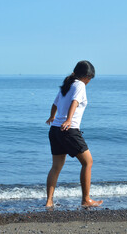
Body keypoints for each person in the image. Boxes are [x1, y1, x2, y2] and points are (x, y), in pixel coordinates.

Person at [45, 60, 103, 208]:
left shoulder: (67, 84)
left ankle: (49, 201)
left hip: (55, 130)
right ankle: (86, 200)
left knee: (56, 166)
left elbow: (55, 103)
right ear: (86, 76)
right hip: (68, 130)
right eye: (90, 78)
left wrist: (52, 117)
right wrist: (69, 120)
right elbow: (75, 102)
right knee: (87, 162)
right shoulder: (80, 85)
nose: (89, 81)